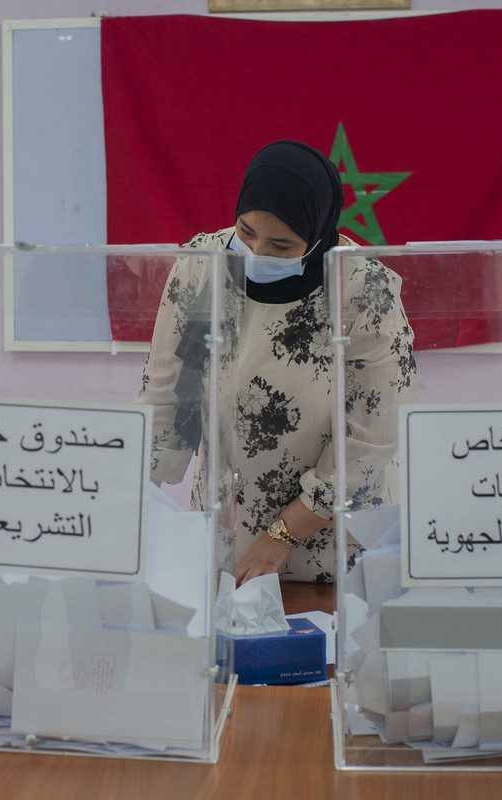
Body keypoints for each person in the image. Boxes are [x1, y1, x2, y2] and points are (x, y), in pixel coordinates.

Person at [138, 140, 416, 585]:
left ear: (318, 234)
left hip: (328, 550)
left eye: (281, 244)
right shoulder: (203, 264)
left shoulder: (364, 292)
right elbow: (167, 390)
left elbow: (371, 441)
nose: (256, 252)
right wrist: (136, 504)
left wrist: (283, 535)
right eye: (246, 231)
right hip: (222, 535)